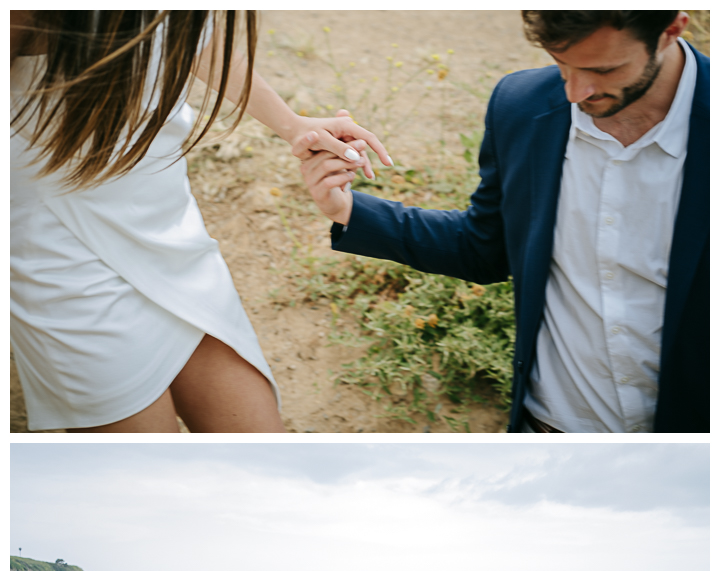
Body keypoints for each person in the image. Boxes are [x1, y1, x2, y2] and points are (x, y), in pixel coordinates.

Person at [295, 10, 709, 434]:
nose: (574, 91)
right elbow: (483, 249)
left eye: (603, 70)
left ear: (671, 30)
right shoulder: (522, 104)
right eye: (561, 63)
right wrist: (346, 208)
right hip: (547, 433)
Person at [10, 10, 390, 433]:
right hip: (62, 254)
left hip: (167, 224)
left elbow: (188, 34)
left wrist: (292, 124)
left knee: (260, 444)